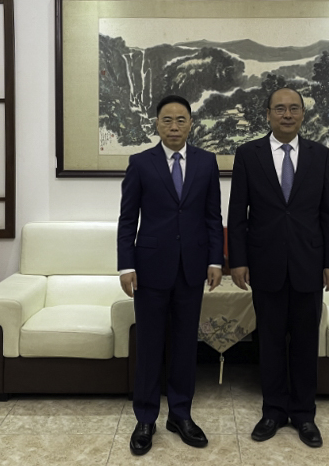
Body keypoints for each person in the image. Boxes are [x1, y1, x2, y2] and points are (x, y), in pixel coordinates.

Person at [227, 87, 329, 448]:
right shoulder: (248, 154)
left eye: (294, 108)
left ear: (303, 115)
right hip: (265, 265)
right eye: (280, 109)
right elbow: (237, 214)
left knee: (306, 343)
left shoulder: (319, 155)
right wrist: (238, 261)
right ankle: (274, 411)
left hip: (310, 264)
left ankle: (304, 415)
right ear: (268, 114)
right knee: (270, 342)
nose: (287, 114)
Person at [117, 95, 224, 456]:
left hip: (192, 268)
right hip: (150, 269)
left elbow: (212, 216)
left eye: (181, 120)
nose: (174, 126)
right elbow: (128, 219)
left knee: (184, 346)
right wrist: (126, 265)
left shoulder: (206, 162)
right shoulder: (140, 163)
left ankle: (180, 414)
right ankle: (145, 418)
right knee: (149, 346)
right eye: (167, 120)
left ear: (191, 123)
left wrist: (215, 260)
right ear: (157, 125)